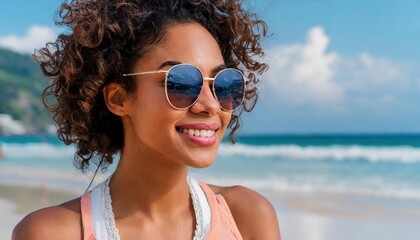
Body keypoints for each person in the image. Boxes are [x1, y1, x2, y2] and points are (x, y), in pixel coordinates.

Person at [13, 0, 280, 239]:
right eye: (182, 83)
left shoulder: (248, 217)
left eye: (223, 84)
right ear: (118, 99)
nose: (211, 105)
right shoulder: (51, 233)